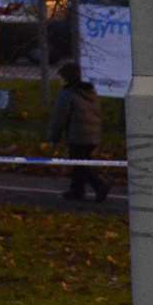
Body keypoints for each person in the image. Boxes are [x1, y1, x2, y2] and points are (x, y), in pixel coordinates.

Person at [47, 61, 106, 201]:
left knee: (80, 164)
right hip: (93, 134)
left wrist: (54, 137)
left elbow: (60, 118)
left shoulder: (67, 94)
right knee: (81, 163)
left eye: (61, 77)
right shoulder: (89, 91)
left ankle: (100, 184)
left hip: (78, 135)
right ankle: (77, 191)